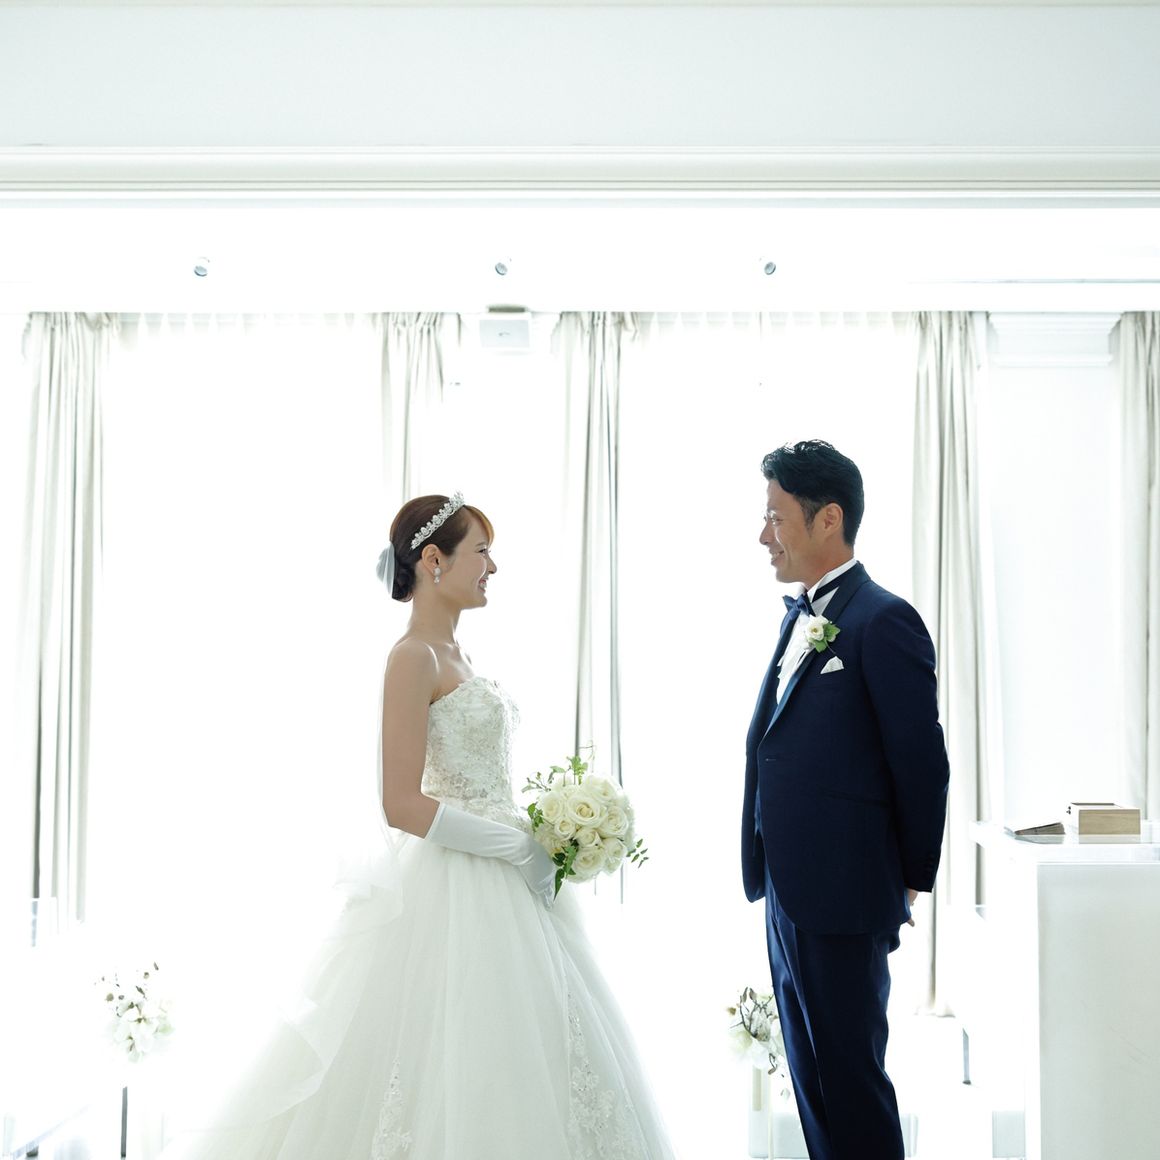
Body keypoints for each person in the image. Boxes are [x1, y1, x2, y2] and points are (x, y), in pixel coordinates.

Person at [162, 492, 675, 1159]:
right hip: (458, 881)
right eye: (482, 552)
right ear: (434, 560)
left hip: (507, 880)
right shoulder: (412, 657)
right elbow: (400, 803)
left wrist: (537, 836)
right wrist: (514, 845)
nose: (493, 567)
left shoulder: (459, 655)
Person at [740, 441, 949, 1160]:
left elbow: (921, 762)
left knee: (851, 1085)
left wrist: (908, 879)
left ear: (828, 519)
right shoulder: (800, 616)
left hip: (846, 894)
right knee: (813, 1085)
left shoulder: (883, 620)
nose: (764, 535)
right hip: (788, 892)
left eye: (775, 518)